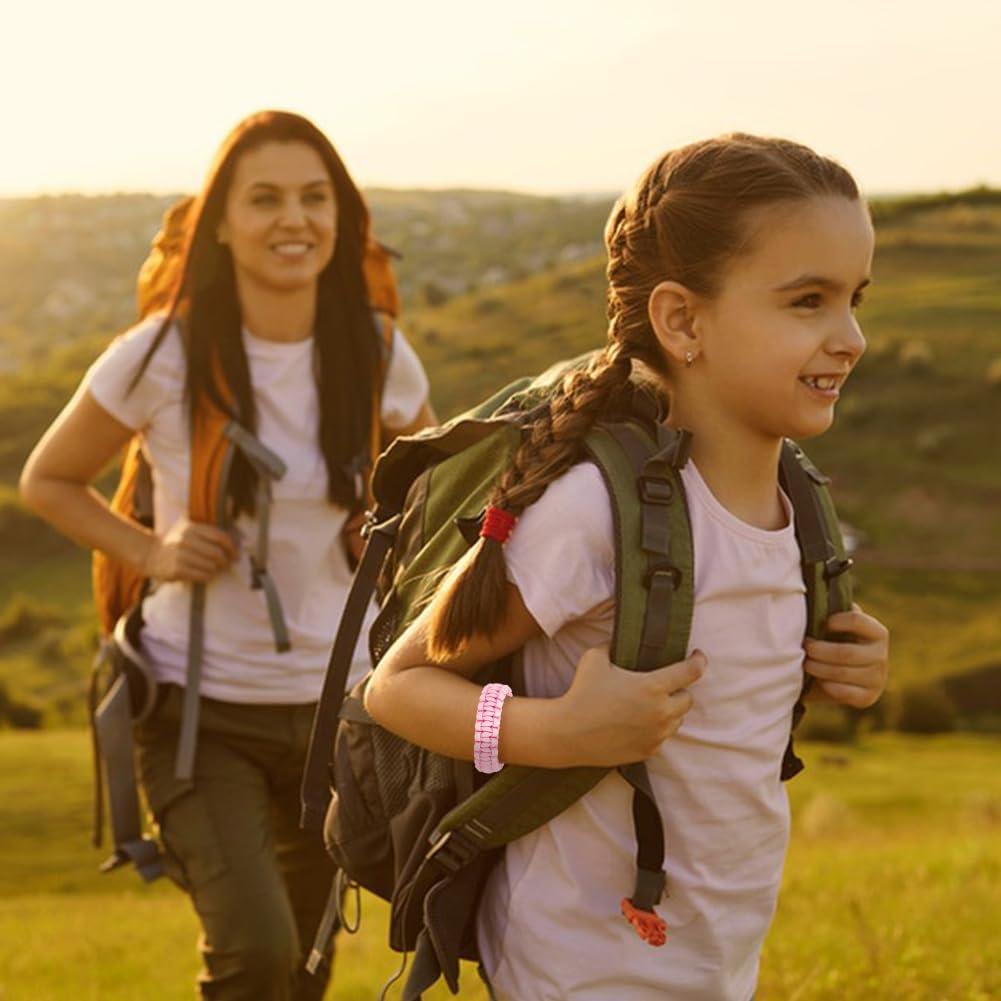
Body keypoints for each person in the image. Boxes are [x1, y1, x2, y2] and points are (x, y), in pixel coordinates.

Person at [363, 134, 889, 1001]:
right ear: (682, 321)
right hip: (578, 961)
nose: (851, 338)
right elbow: (397, 687)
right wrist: (552, 733)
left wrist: (845, 668)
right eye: (808, 301)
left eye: (853, 299)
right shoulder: (594, 514)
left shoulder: (800, 506)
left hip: (713, 957)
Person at [20, 109, 435, 1000]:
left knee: (306, 964)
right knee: (255, 953)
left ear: (342, 217)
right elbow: (48, 479)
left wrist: (389, 527)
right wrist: (154, 549)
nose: (294, 219)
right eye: (265, 199)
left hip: (340, 712)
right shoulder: (163, 352)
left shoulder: (374, 350)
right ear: (219, 222)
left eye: (314, 198)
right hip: (198, 710)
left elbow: (431, 493)